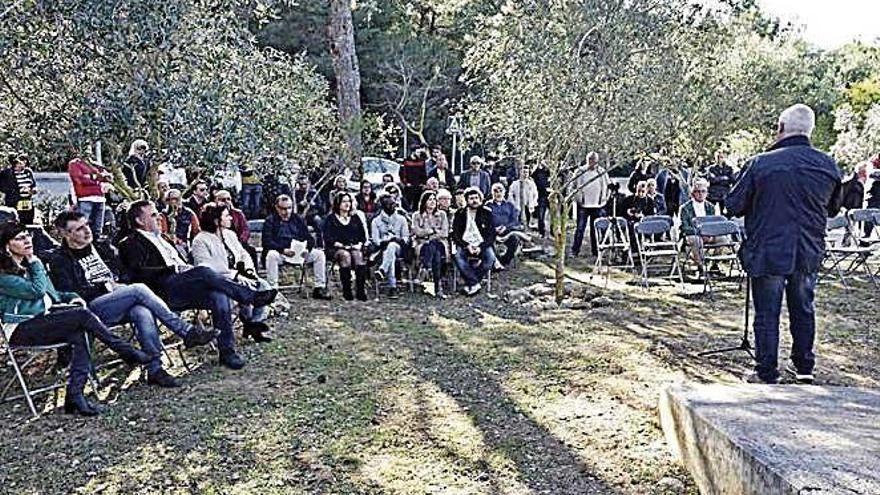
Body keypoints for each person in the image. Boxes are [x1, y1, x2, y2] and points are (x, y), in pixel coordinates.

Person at [726, 103, 842, 385]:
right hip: (807, 250)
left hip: (768, 251)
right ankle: (804, 367)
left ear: (780, 128)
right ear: (810, 131)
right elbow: (834, 209)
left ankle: (766, 372)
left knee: (767, 312)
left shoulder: (761, 163)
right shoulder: (828, 165)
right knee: (804, 307)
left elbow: (734, 204)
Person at [48, 211, 217, 388]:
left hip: (119, 297)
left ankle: (155, 369)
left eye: (87, 225)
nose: (87, 231)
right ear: (66, 234)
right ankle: (186, 331)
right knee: (139, 289)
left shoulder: (100, 246)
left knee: (141, 312)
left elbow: (124, 272)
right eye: (79, 229)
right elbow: (72, 294)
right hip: (92, 308)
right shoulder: (60, 260)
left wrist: (120, 284)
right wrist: (108, 287)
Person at [0, 222, 151, 416]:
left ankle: (75, 395)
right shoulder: (5, 276)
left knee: (80, 333)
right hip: (22, 329)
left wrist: (72, 297)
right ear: (6, 246)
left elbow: (52, 294)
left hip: (46, 320)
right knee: (81, 316)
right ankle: (125, 350)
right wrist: (35, 262)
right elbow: (36, 291)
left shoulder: (29, 266)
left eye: (27, 235)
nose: (27, 240)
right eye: (20, 238)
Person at [118, 200, 278, 369]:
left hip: (183, 285)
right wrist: (173, 268)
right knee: (203, 270)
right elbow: (139, 273)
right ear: (139, 221)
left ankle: (227, 351)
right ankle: (250, 296)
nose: (158, 217)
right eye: (153, 214)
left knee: (219, 295)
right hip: (162, 290)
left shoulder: (162, 238)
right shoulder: (129, 243)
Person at [191, 203, 274, 342]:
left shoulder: (230, 234)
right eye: (226, 216)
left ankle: (252, 324)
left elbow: (243, 254)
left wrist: (248, 270)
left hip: (239, 275)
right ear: (217, 221)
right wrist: (234, 275)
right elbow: (206, 268)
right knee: (244, 292)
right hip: (218, 282)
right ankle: (247, 320)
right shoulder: (200, 240)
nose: (230, 218)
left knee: (263, 286)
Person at [262, 194, 330, 300]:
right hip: (281, 252)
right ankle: (273, 289)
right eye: (283, 209)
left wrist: (307, 249)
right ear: (277, 207)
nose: (287, 212)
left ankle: (319, 287)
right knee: (271, 255)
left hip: (299, 252)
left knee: (319, 254)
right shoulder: (270, 220)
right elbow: (267, 241)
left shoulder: (297, 219)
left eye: (289, 208)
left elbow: (309, 238)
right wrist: (282, 250)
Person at [322, 192, 368, 301]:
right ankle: (347, 291)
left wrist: (359, 245)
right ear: (338, 203)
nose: (347, 204)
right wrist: (340, 245)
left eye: (349, 201)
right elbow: (327, 238)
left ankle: (360, 290)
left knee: (358, 255)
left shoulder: (355, 218)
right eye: (344, 201)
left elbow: (362, 236)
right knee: (345, 255)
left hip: (353, 246)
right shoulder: (330, 219)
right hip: (336, 248)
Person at [451, 187, 496, 296]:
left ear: (480, 199)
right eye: (471, 198)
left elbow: (491, 234)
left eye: (476, 198)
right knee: (457, 256)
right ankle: (475, 283)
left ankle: (471, 281)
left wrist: (481, 247)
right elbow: (455, 234)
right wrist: (467, 246)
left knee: (490, 258)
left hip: (482, 244)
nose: (474, 200)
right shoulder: (460, 213)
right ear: (466, 200)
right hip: (465, 244)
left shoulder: (487, 213)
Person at [370, 195, 411, 298]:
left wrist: (396, 239)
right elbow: (376, 241)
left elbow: (406, 238)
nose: (394, 206)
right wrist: (386, 240)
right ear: (384, 206)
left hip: (400, 248)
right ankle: (392, 287)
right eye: (391, 204)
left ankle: (382, 270)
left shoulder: (401, 219)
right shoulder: (376, 221)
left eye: (394, 204)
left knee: (392, 246)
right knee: (389, 253)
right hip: (382, 249)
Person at [412, 190, 449, 298]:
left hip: (440, 243)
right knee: (435, 253)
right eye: (430, 199)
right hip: (422, 244)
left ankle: (424, 269)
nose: (433, 202)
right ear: (424, 202)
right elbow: (417, 231)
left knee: (433, 244)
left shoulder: (442, 214)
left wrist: (430, 236)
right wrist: (430, 231)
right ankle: (438, 289)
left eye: (434, 199)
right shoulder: (417, 215)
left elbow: (445, 232)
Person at [571, 152, 607, 257]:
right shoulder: (580, 171)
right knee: (580, 228)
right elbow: (573, 187)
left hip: (597, 205)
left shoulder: (602, 172)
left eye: (594, 160)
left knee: (595, 229)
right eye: (590, 160)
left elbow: (608, 186)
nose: (592, 162)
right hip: (583, 205)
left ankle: (596, 251)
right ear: (587, 160)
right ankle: (575, 250)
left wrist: (605, 198)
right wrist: (577, 198)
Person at [68, 157, 113, 237]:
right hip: (85, 198)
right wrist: (96, 177)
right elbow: (80, 179)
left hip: (100, 198)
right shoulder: (75, 164)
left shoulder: (94, 164)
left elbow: (108, 177)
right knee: (83, 227)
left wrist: (93, 177)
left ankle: (97, 245)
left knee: (97, 229)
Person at [679, 178, 720, 263]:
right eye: (698, 191)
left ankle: (714, 264)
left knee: (723, 239)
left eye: (703, 191)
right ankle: (701, 266)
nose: (701, 194)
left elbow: (714, 224)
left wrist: (709, 234)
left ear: (707, 193)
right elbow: (685, 227)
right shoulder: (685, 208)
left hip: (709, 234)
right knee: (696, 240)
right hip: (693, 235)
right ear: (693, 193)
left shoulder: (711, 207)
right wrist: (700, 233)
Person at [158, 188, 200, 259]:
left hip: (186, 245)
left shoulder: (189, 213)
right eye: (174, 199)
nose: (177, 201)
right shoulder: (163, 215)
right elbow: (163, 233)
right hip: (169, 246)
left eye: (178, 198)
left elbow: (197, 231)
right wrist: (177, 241)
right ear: (168, 201)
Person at [487, 183, 522, 267]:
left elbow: (515, 221)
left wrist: (505, 227)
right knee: (488, 241)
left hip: (507, 231)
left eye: (500, 191)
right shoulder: (488, 205)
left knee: (515, 240)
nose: (498, 193)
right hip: (492, 231)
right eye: (495, 191)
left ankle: (504, 261)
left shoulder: (509, 205)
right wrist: (494, 228)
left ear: (504, 192)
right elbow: (484, 221)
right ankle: (495, 261)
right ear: (492, 193)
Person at [0, 153, 38, 225]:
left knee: (28, 223)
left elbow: (34, 185)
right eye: (20, 162)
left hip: (27, 202)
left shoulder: (28, 172)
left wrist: (33, 190)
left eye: (24, 161)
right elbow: (2, 187)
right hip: (14, 202)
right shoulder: (7, 173)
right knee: (15, 224)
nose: (23, 163)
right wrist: (15, 191)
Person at [507, 162, 538, 229]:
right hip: (518, 205)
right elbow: (510, 194)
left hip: (527, 205)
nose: (525, 174)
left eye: (527, 172)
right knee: (518, 222)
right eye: (524, 172)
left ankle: (526, 230)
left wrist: (533, 203)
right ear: (520, 173)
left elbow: (535, 194)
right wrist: (514, 204)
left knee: (527, 221)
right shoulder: (515, 184)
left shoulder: (531, 184)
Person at [706, 151, 736, 215]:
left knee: (724, 212)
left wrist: (718, 178)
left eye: (721, 157)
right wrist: (723, 178)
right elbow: (712, 179)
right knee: (710, 210)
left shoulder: (729, 168)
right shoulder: (711, 168)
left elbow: (732, 180)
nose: (720, 159)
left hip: (724, 192)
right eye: (718, 157)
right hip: (713, 193)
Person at [531, 160, 551, 237]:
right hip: (541, 196)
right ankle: (541, 232)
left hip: (549, 195)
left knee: (553, 214)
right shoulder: (537, 172)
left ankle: (553, 231)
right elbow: (532, 176)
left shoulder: (549, 172)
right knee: (541, 215)